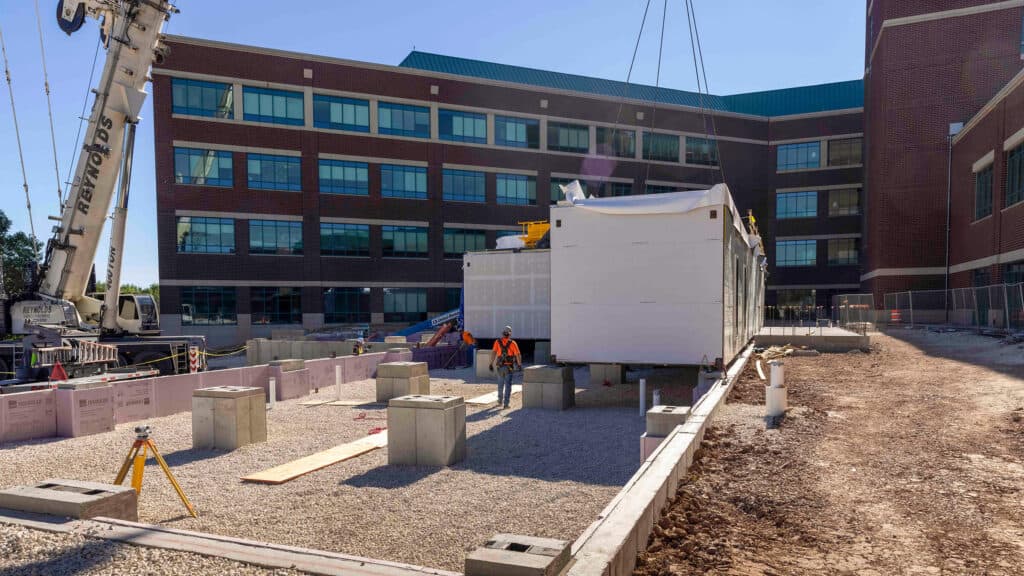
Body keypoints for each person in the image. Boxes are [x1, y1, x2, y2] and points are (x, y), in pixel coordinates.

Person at [489, 325, 521, 409]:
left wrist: (490, 364)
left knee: (500, 384)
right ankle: (506, 404)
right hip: (508, 367)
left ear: (503, 333)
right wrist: (519, 365)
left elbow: (493, 353)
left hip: (500, 367)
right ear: (510, 334)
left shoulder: (497, 342)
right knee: (508, 386)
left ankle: (500, 401)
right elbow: (517, 355)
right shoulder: (513, 343)